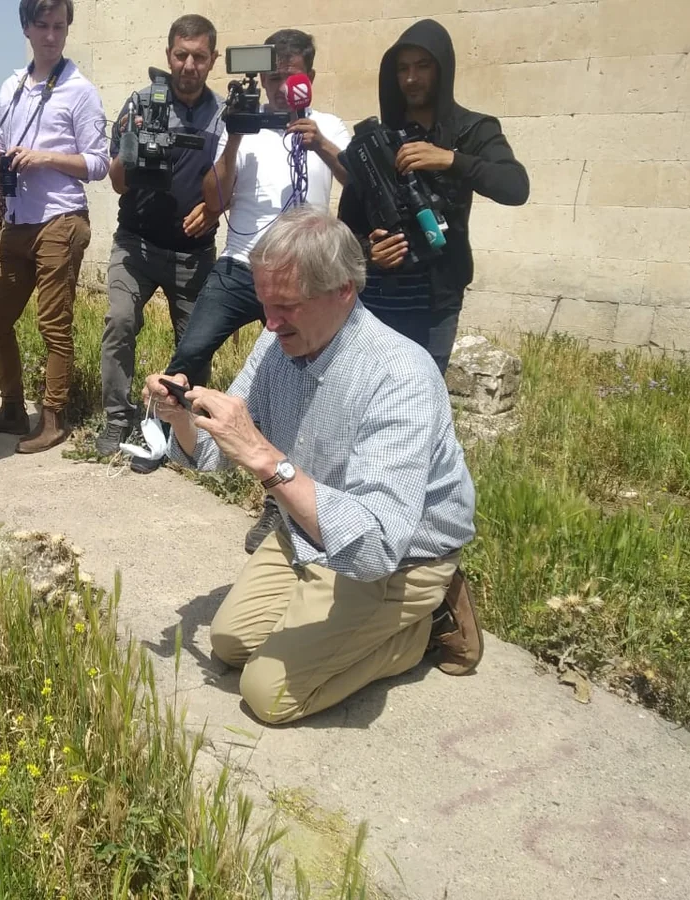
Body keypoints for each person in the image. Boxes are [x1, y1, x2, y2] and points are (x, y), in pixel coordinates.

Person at [144, 206, 481, 726]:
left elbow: (374, 547)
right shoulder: (276, 344)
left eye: (287, 306)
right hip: (308, 527)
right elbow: (213, 455)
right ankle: (338, 614)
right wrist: (182, 416)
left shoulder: (399, 377)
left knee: (267, 693)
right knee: (229, 643)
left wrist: (265, 458)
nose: (270, 321)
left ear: (344, 290)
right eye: (264, 303)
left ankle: (424, 624)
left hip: (400, 556)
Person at [156, 28, 352, 555]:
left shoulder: (329, 125)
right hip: (241, 267)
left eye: (285, 78)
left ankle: (279, 506)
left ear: (307, 75)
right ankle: (174, 439)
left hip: (304, 278)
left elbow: (359, 183)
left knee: (303, 390)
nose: (273, 89)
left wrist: (323, 145)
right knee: (191, 350)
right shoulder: (238, 125)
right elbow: (214, 198)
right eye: (268, 78)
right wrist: (238, 135)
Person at [338, 18, 529, 373]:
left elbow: (515, 187)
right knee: (368, 393)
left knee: (424, 397)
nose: (412, 78)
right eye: (403, 68)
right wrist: (368, 252)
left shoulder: (472, 130)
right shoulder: (376, 142)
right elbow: (345, 226)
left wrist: (450, 159)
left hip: (437, 298)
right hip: (378, 296)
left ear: (442, 69)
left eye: (423, 66)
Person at [0, 0, 108, 454]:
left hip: (61, 219)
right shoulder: (10, 86)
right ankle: (12, 409)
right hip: (17, 220)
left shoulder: (79, 90)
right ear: (26, 28)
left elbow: (99, 164)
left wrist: (45, 157)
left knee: (53, 324)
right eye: (43, 25)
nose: (52, 35)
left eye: (60, 26)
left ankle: (53, 418)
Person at [93, 14, 225, 458]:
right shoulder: (139, 103)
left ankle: (182, 427)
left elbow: (231, 180)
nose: (189, 65)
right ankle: (117, 418)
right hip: (136, 244)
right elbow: (117, 182)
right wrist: (129, 146)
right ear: (168, 54)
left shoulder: (223, 116)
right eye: (181, 55)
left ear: (212, 60)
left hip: (193, 253)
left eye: (199, 57)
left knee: (196, 343)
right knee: (119, 322)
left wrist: (213, 207)